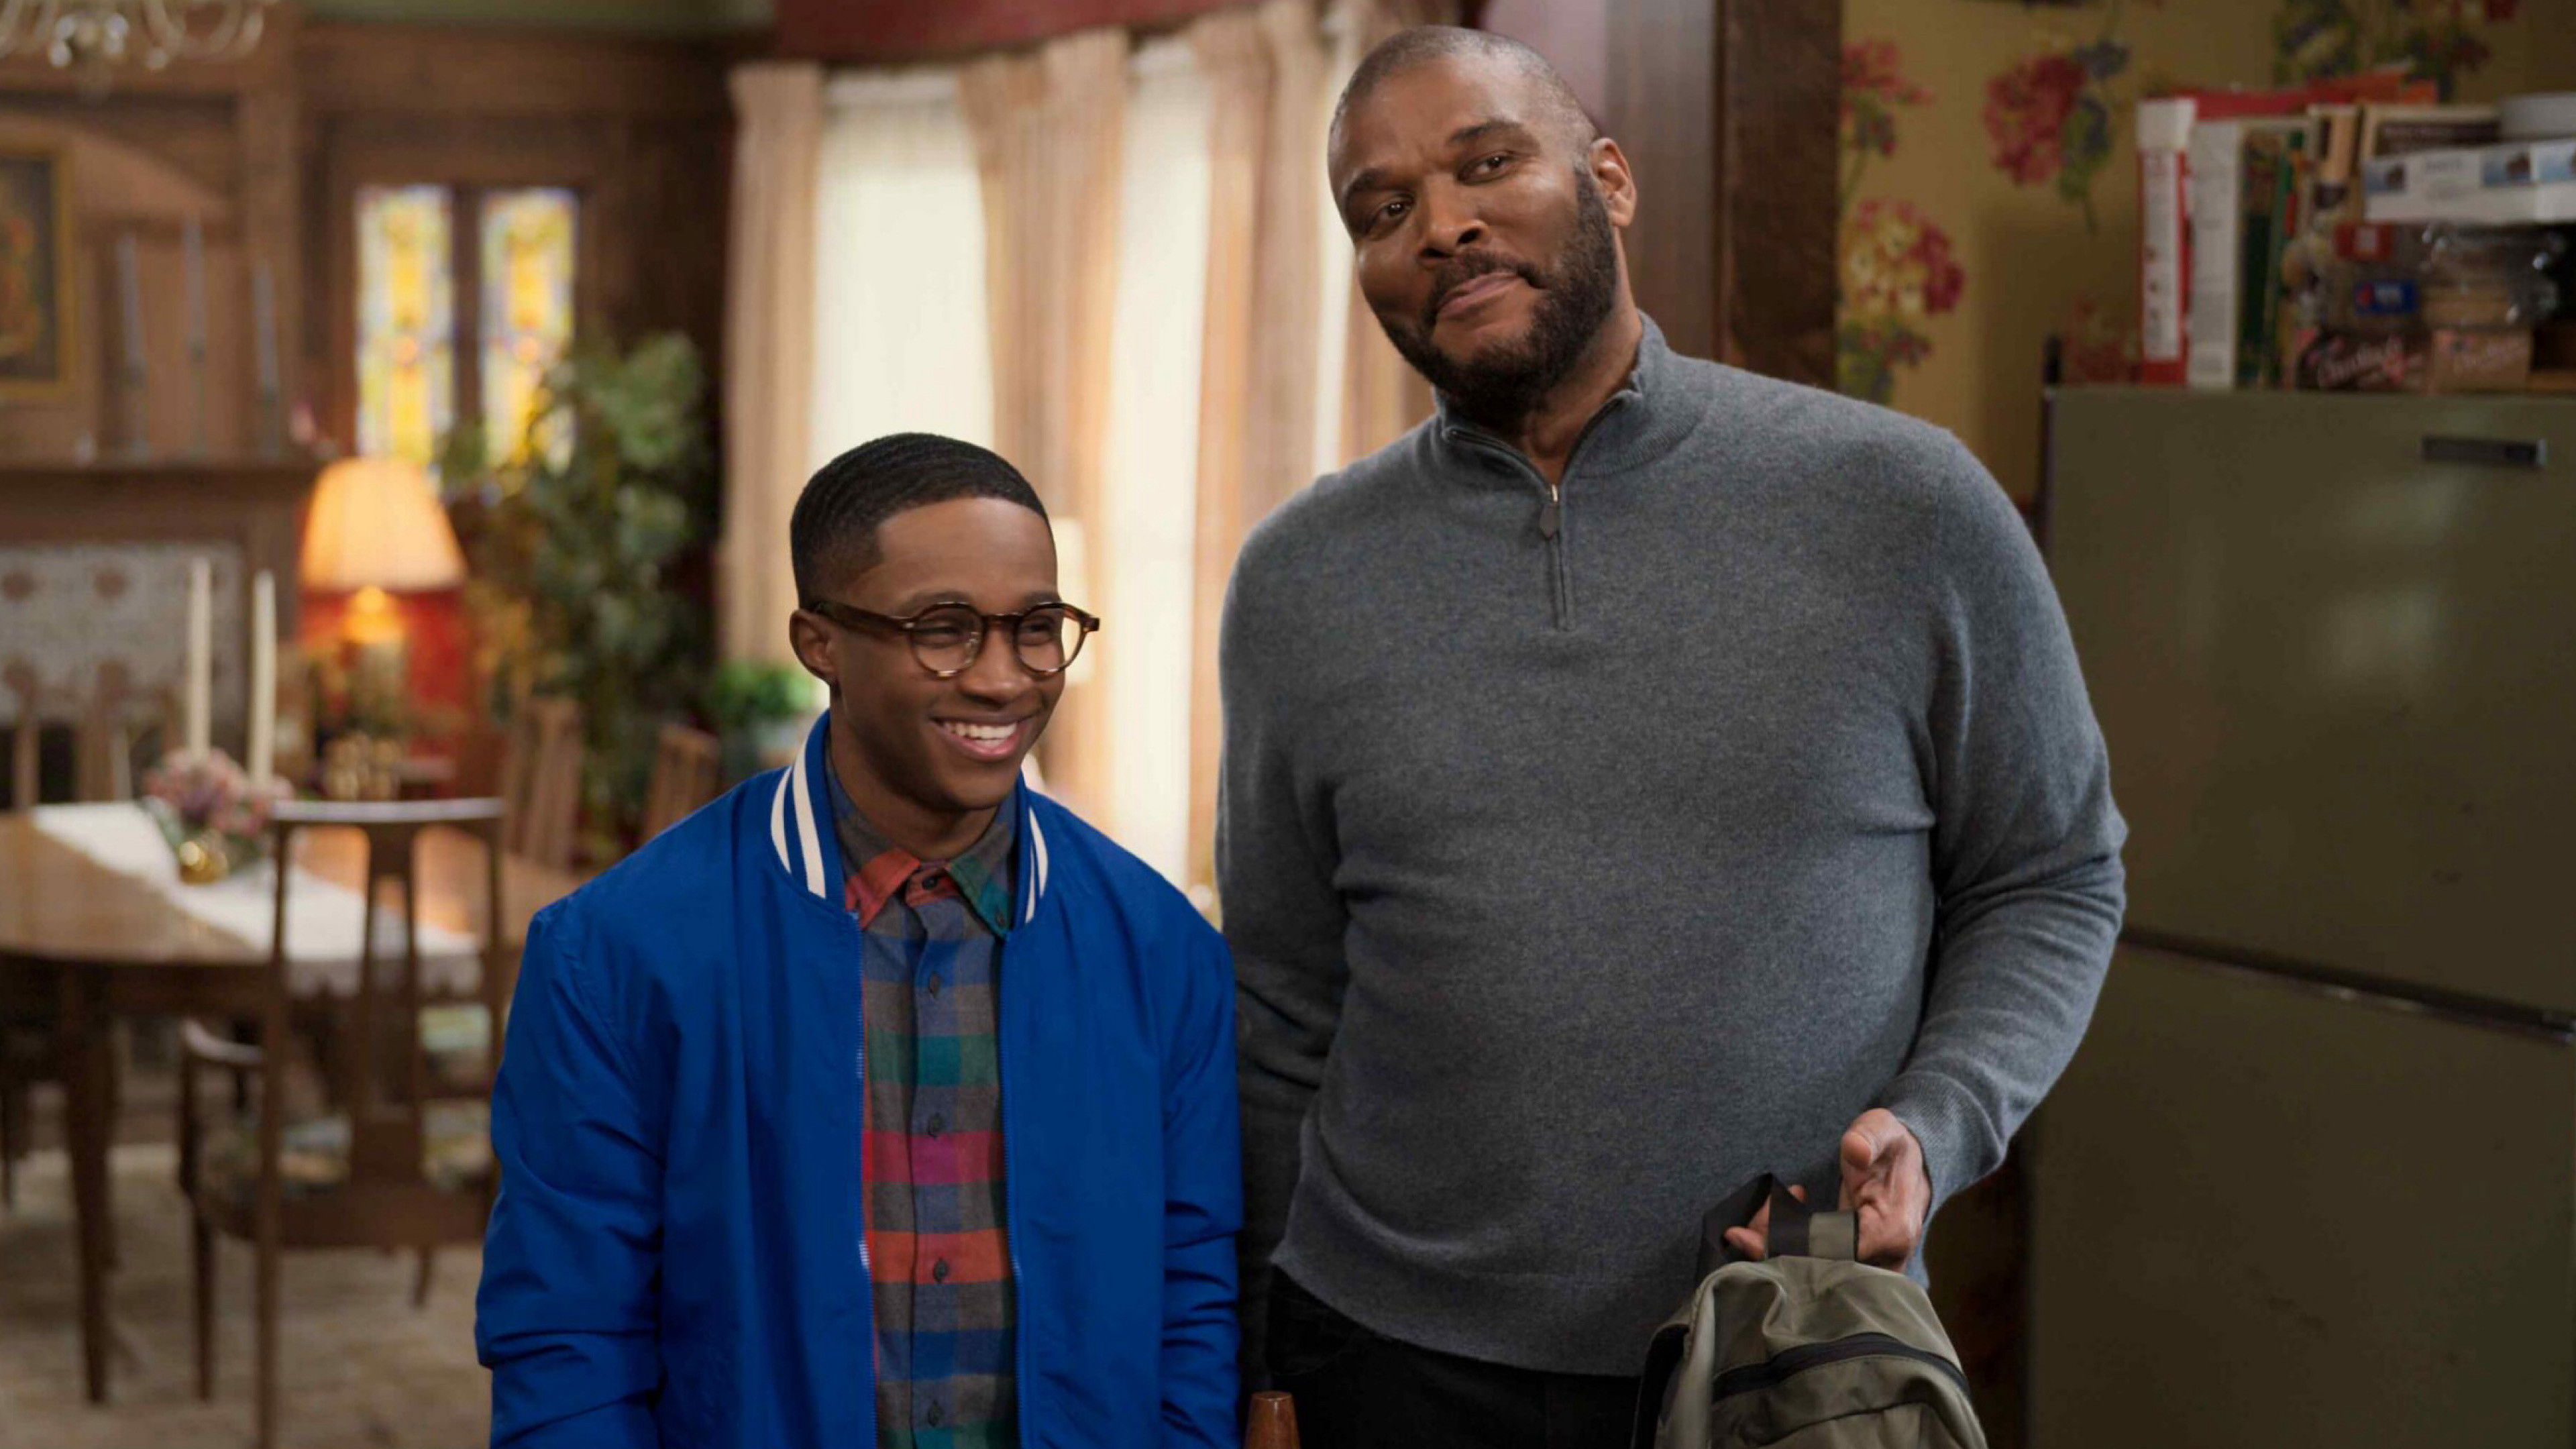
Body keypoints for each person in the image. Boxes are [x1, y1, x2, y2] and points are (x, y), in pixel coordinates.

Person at [1220, 27, 2126, 1448]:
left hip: (1790, 1335)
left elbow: (2053, 875)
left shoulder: (1904, 505)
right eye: (1382, 209)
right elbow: (1279, 1011)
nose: (1441, 226)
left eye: (1487, 164)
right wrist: (1263, 1363)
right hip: (1387, 1355)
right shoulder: (1298, 579)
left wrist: (1939, 1122)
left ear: (1611, 180)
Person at [478, 433, 1242, 1449]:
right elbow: (569, 1341)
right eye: (945, 630)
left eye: (1036, 628)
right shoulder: (615, 955)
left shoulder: (1163, 951)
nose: (1004, 680)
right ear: (821, 643)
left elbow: (1193, 1298)